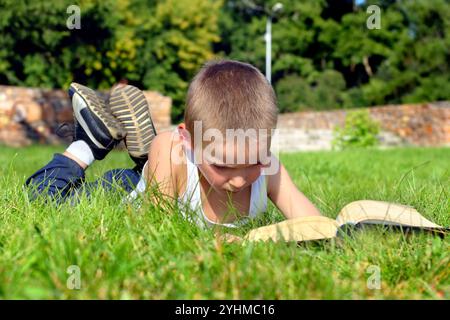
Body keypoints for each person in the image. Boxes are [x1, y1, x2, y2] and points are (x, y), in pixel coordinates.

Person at [25, 59, 321, 229]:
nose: (241, 178)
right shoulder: (174, 145)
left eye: (255, 160)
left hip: (169, 174)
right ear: (187, 138)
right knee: (44, 199)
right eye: (223, 165)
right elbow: (153, 227)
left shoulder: (269, 169)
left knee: (165, 159)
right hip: (126, 194)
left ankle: (149, 161)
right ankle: (87, 143)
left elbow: (314, 224)